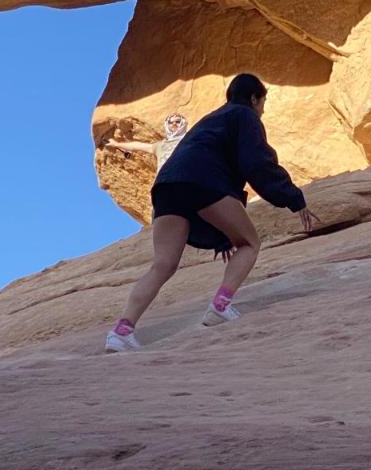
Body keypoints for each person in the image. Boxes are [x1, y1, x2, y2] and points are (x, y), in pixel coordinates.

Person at [104, 74, 319, 354]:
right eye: (262, 102)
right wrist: (293, 198)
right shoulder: (245, 116)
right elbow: (257, 164)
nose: (262, 109)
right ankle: (220, 306)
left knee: (163, 264)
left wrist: (220, 236)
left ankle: (121, 332)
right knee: (249, 243)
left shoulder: (210, 120)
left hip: (167, 187)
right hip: (204, 181)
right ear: (254, 99)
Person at [104, 113, 189, 174]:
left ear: (183, 123)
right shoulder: (160, 145)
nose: (174, 124)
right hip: (164, 183)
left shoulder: (190, 139)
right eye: (170, 122)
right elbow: (136, 146)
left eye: (178, 121)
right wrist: (116, 144)